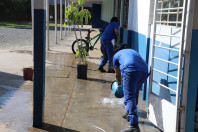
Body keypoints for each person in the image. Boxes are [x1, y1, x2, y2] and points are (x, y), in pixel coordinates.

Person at [113, 44, 149, 132]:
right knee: (134, 92)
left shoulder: (116, 56)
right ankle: (129, 114)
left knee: (129, 97)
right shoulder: (132, 51)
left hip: (131, 69)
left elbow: (117, 74)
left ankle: (134, 126)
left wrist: (120, 85)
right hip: (144, 71)